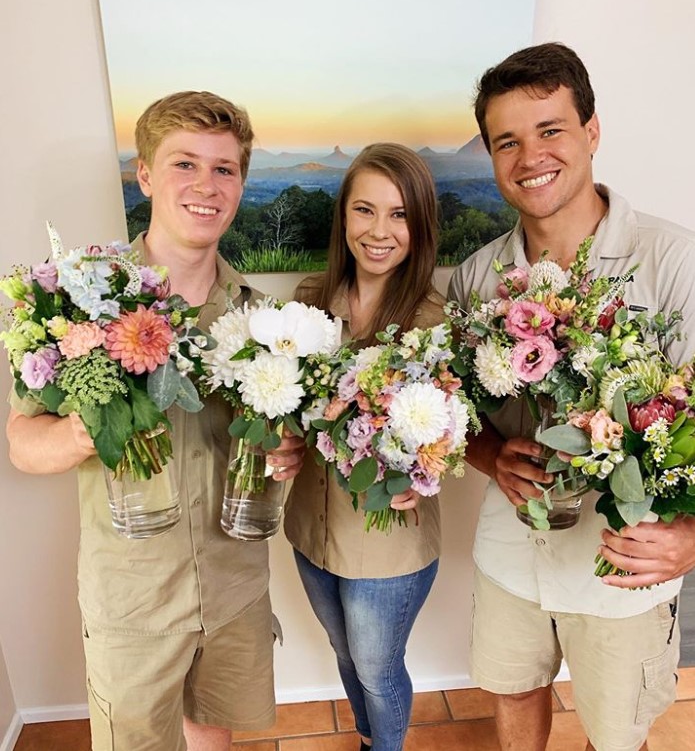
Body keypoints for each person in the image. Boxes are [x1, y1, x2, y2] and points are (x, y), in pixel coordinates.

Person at [5, 91, 304, 751]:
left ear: (241, 183)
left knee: (213, 731)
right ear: (143, 174)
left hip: (234, 589)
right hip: (132, 603)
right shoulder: (81, 305)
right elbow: (23, 444)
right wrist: (86, 429)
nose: (206, 185)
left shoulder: (262, 318)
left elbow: (284, 445)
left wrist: (289, 449)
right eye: (184, 164)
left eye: (224, 169)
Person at [447, 43, 695, 751]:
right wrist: (491, 454)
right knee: (514, 689)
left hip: (622, 565)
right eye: (506, 141)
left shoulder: (671, 260)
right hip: (509, 551)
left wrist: (689, 536)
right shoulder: (475, 277)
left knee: (616, 736)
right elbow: (455, 412)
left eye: (549, 129)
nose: (530, 157)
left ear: (590, 130)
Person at [283, 143, 444, 751]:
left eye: (399, 214)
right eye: (365, 210)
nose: (379, 232)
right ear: (344, 218)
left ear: (421, 224)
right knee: (345, 655)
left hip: (387, 545)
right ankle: (367, 738)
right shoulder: (305, 301)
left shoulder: (432, 322)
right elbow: (290, 412)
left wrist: (424, 476)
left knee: (378, 669)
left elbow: (449, 432)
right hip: (310, 527)